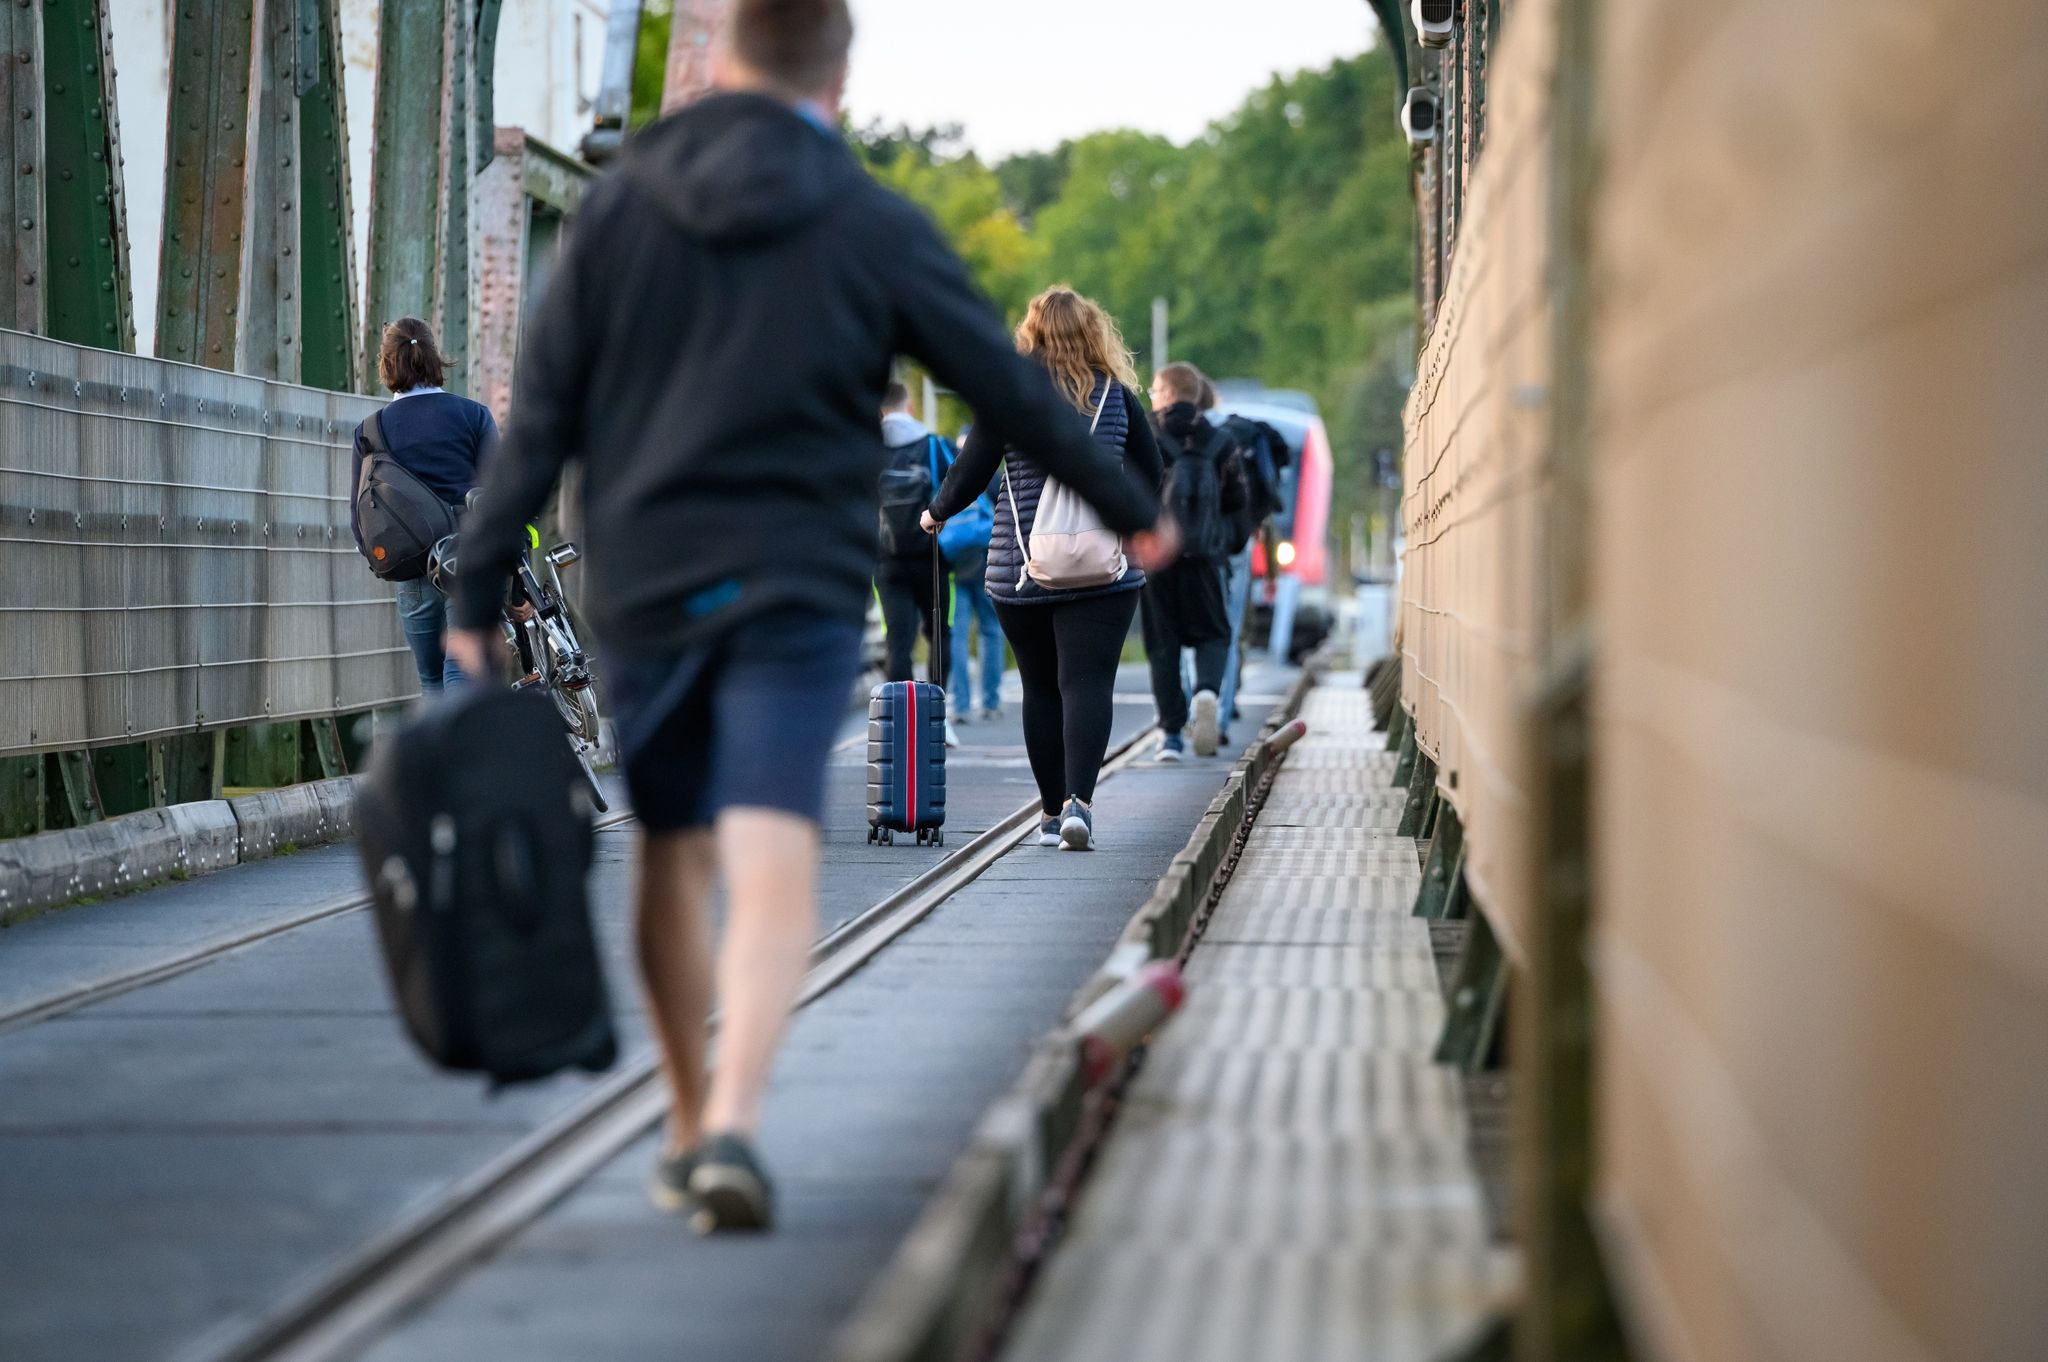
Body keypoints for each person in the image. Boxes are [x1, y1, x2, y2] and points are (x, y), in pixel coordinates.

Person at [445, 0, 1174, 1235]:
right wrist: (1127, 505)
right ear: (837, 75)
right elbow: (1006, 390)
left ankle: (686, 1125)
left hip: (649, 569)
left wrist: (473, 588)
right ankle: (733, 1117)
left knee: (671, 844)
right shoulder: (867, 220)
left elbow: (544, 415)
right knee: (773, 832)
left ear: (722, 62)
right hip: (791, 573)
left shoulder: (621, 212)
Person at [926, 287, 1165, 852]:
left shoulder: (1010, 400)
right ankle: (1081, 802)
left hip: (1021, 569)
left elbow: (970, 471)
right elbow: (1151, 473)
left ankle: (1052, 812)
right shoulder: (1118, 399)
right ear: (1093, 334)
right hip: (1105, 568)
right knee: (1086, 683)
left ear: (1030, 336)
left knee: (1040, 687)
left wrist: (934, 513)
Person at [350, 318, 497, 695]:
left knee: (431, 678)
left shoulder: (371, 429)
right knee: (461, 669)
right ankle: (465, 750)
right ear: (434, 357)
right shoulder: (473, 415)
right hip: (469, 561)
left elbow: (359, 515)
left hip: (412, 567)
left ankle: (445, 751)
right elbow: (500, 496)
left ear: (386, 364)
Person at [1143, 361, 1245, 761]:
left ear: (1169, 394)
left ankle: (1170, 734)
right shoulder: (1221, 441)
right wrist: (1225, 544)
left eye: (1155, 390)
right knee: (1214, 634)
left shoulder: (1148, 435)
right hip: (1206, 558)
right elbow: (1238, 500)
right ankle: (1206, 691)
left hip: (1157, 559)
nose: (1152, 397)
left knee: (1162, 646)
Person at [1204, 378, 1286, 743]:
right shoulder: (1244, 439)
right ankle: (1221, 711)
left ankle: (1191, 709)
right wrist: (1271, 572)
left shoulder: (1191, 435)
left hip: (1195, 544)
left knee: (1191, 632)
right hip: (1239, 544)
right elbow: (1264, 514)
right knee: (1232, 628)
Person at [875, 380, 952, 687]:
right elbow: (959, 487)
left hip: (885, 559)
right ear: (909, 407)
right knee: (939, 633)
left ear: (882, 412)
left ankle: (901, 716)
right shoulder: (933, 445)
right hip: (932, 556)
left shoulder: (870, 447)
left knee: (897, 641)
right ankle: (934, 714)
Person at [943, 424, 1005, 722]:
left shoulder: (950, 478)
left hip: (955, 567)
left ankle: (961, 705)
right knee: (991, 631)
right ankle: (991, 702)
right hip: (988, 565)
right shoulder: (994, 480)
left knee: (956, 634)